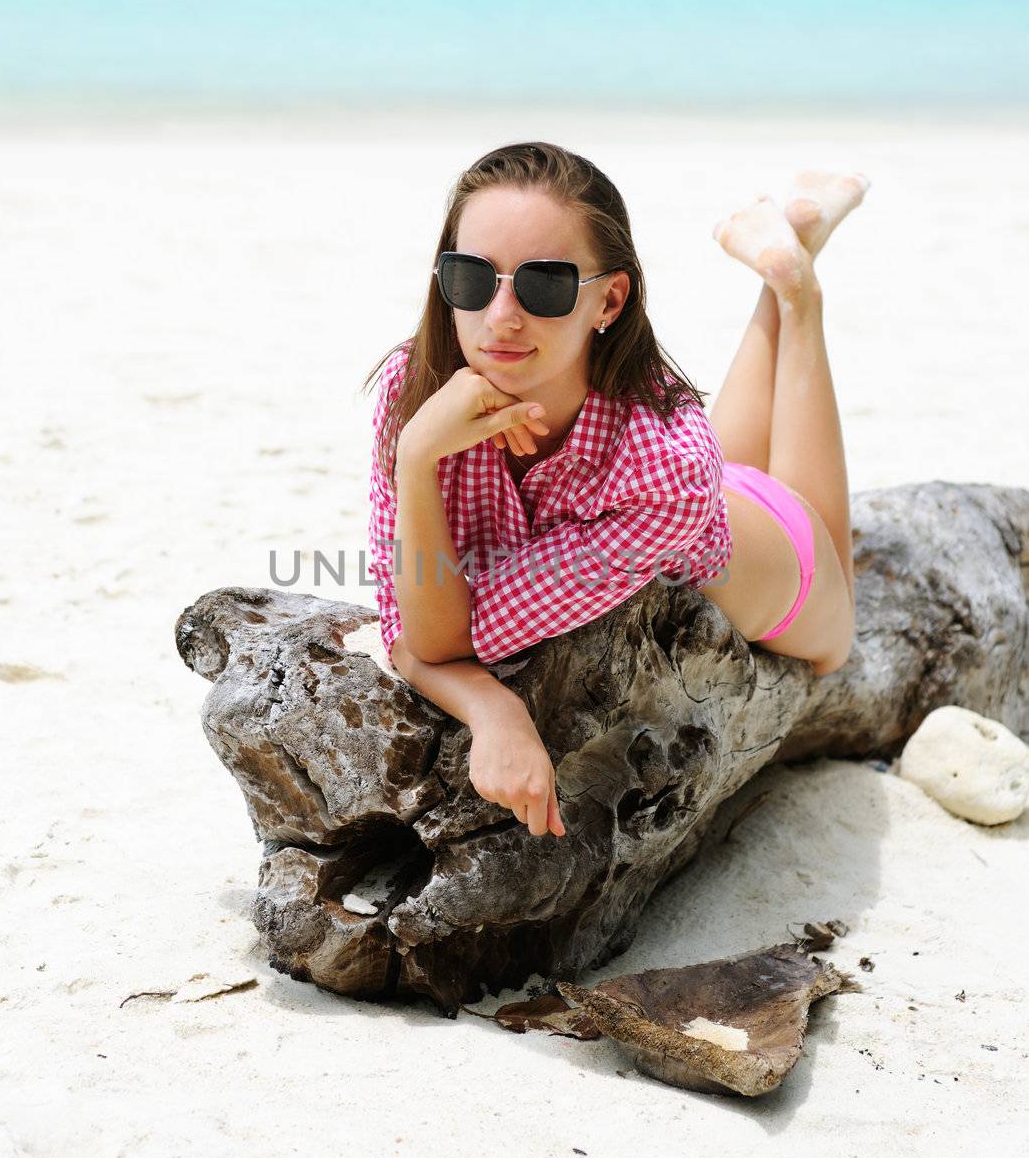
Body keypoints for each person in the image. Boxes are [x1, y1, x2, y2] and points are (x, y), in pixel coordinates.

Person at [363, 142, 868, 841]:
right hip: (694, 484)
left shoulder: (668, 473)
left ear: (610, 298)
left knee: (834, 643)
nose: (500, 316)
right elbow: (406, 624)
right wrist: (491, 709)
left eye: (543, 285)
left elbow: (444, 639)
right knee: (716, 462)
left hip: (782, 557)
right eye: (471, 278)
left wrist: (417, 459)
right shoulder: (409, 388)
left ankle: (797, 290)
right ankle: (780, 261)